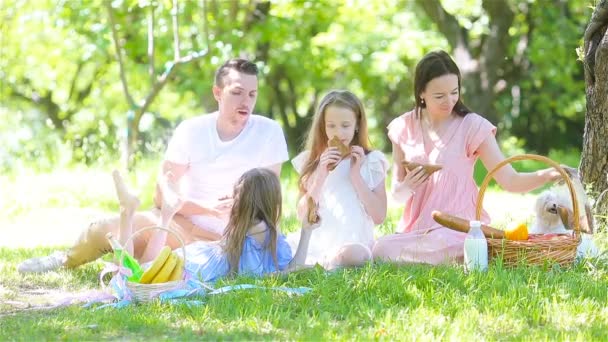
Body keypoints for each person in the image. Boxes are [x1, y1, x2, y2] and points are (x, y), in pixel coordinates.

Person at [18, 58, 289, 273]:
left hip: (234, 238)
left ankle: (129, 268)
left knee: (154, 264)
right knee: (103, 229)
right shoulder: (192, 130)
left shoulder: (269, 132)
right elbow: (162, 195)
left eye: (252, 94)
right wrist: (201, 209)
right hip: (182, 224)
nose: (246, 102)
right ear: (218, 93)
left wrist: (241, 212)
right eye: (237, 92)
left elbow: (270, 203)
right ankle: (66, 259)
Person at [372, 50, 562, 265]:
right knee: (381, 248)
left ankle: (469, 251)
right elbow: (397, 195)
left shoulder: (472, 126)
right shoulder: (403, 127)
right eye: (439, 96)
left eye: (454, 92)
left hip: (460, 230)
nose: (449, 101)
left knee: (398, 250)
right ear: (421, 92)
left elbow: (509, 180)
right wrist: (407, 186)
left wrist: (547, 174)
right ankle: (460, 257)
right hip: (417, 231)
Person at [113, 168, 317, 282]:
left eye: (237, 195)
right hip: (192, 268)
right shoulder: (264, 233)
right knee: (132, 278)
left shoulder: (249, 235)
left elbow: (286, 269)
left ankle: (134, 213)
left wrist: (306, 231)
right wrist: (305, 234)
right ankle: (131, 213)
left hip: (192, 263)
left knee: (132, 275)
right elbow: (271, 275)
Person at [288, 90, 388, 269]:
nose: (338, 132)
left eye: (345, 125)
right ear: (323, 126)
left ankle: (328, 264)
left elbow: (379, 216)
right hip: (319, 240)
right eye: (331, 125)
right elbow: (302, 215)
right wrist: (320, 175)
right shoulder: (311, 161)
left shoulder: (371, 161)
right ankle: (322, 263)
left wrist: (356, 175)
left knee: (358, 255)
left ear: (357, 124)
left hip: (353, 244)